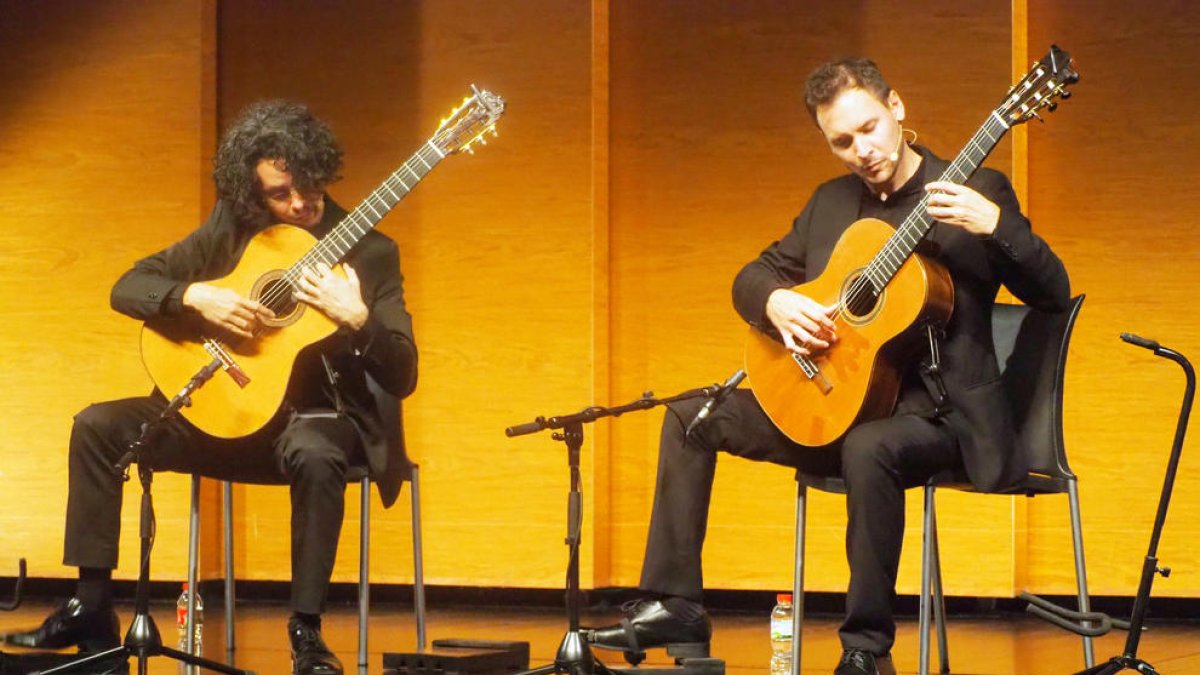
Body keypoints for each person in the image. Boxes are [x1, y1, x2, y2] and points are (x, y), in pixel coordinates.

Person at [588, 58, 1070, 675]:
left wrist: (994, 225)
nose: (862, 150)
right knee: (691, 415)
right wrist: (776, 301)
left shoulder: (979, 189)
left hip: (942, 418)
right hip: (837, 404)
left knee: (871, 449)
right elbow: (751, 277)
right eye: (843, 141)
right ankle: (675, 604)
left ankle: (865, 652)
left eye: (869, 127)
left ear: (896, 108)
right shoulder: (830, 204)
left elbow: (1053, 292)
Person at [3, 100, 418, 675]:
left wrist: (357, 319)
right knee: (97, 427)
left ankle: (307, 630)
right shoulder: (238, 230)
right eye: (279, 193)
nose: (297, 204)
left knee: (318, 455)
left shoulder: (372, 253)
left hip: (312, 425)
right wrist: (195, 297)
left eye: (309, 189)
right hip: (221, 415)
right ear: (252, 193)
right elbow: (130, 286)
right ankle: (93, 609)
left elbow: (404, 373)